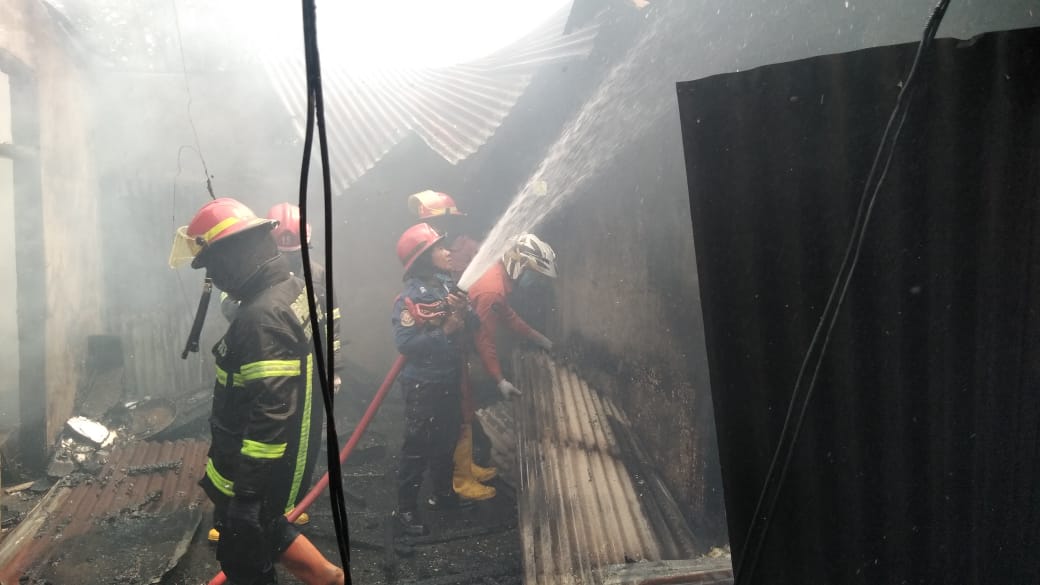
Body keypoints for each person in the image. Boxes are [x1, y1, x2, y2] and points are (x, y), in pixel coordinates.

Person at [170, 198, 344, 585]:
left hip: (255, 475)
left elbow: (270, 413)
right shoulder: (292, 289)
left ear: (235, 256)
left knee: (245, 560)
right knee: (269, 529)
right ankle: (328, 578)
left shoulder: (260, 318)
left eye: (212, 264)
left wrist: (246, 497)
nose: (213, 276)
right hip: (273, 469)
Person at [407, 190, 496, 502]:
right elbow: (412, 340)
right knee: (444, 423)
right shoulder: (421, 283)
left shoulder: (453, 259)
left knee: (462, 409)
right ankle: (457, 478)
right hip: (437, 366)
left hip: (454, 354)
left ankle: (464, 469)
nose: (443, 239)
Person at [391, 222, 474, 536]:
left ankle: (443, 495)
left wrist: (465, 312)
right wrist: (445, 332)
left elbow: (473, 326)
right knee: (417, 447)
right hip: (422, 384)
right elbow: (406, 344)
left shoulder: (445, 287)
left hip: (447, 380)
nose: (447, 251)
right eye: (439, 248)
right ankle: (406, 510)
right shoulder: (409, 299)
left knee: (446, 440)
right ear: (423, 258)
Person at [468, 233, 557, 400]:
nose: (537, 281)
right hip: (462, 354)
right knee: (474, 401)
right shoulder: (493, 290)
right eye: (535, 274)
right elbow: (484, 338)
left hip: (467, 349)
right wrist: (500, 380)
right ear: (519, 264)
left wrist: (540, 339)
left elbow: (508, 316)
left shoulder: (496, 273)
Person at [408, 190, 479, 282]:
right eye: (427, 223)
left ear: (448, 221)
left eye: (433, 223)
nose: (429, 228)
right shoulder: (427, 253)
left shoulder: (470, 247)